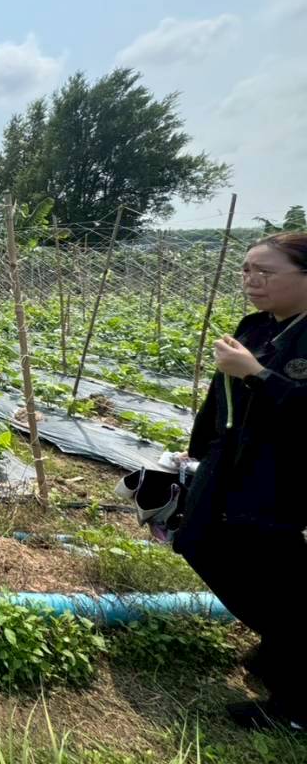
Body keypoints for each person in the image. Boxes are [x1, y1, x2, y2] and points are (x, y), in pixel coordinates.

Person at [175, 231, 307, 732]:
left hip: (284, 475)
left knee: (273, 570)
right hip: (231, 462)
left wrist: (256, 374)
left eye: (266, 272)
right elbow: (220, 399)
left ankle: (294, 702)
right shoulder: (255, 327)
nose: (252, 280)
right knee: (197, 541)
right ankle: (283, 645)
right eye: (247, 270)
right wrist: (196, 452)